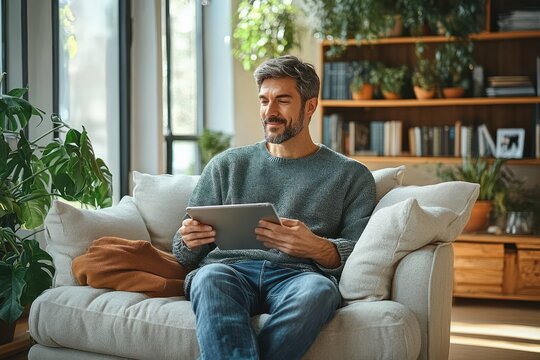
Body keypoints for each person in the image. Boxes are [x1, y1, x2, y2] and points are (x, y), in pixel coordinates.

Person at [172, 55, 375, 360]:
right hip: (229, 271)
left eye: (282, 100)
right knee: (208, 278)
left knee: (319, 292)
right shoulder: (227, 165)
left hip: (299, 276)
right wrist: (188, 239)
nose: (270, 111)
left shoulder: (351, 176)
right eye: (264, 101)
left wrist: (317, 247)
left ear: (310, 105)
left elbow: (360, 251)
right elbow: (181, 250)